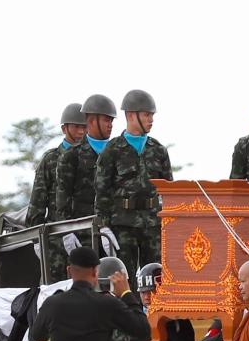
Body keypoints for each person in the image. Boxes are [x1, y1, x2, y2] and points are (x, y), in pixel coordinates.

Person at [94, 89, 173, 274]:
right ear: (131, 115)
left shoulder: (158, 149)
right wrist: (104, 227)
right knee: (124, 276)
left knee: (156, 276)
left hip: (153, 224)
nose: (151, 120)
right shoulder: (112, 149)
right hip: (122, 224)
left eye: (152, 115)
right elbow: (102, 190)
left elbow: (169, 190)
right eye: (146, 115)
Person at [56, 94, 117, 224]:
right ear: (91, 121)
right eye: (106, 120)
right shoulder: (71, 155)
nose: (110, 125)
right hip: (84, 232)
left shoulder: (120, 152)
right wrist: (67, 232)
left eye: (112, 121)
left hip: (116, 230)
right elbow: (63, 199)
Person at [26, 103, 86, 227]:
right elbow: (37, 203)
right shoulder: (50, 159)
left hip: (88, 229)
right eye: (76, 127)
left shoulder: (93, 157)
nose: (81, 131)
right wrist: (37, 239)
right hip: (58, 232)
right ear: (64, 129)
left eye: (84, 127)